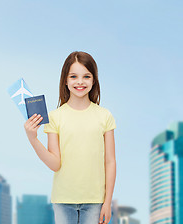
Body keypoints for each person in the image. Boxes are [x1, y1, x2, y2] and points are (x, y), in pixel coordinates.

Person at [24, 51, 117, 224]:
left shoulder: (105, 116)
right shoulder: (55, 117)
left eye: (86, 76)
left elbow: (110, 161)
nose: (80, 82)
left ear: (94, 80)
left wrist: (107, 201)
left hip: (95, 200)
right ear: (65, 80)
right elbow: (55, 163)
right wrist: (33, 139)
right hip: (63, 200)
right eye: (73, 76)